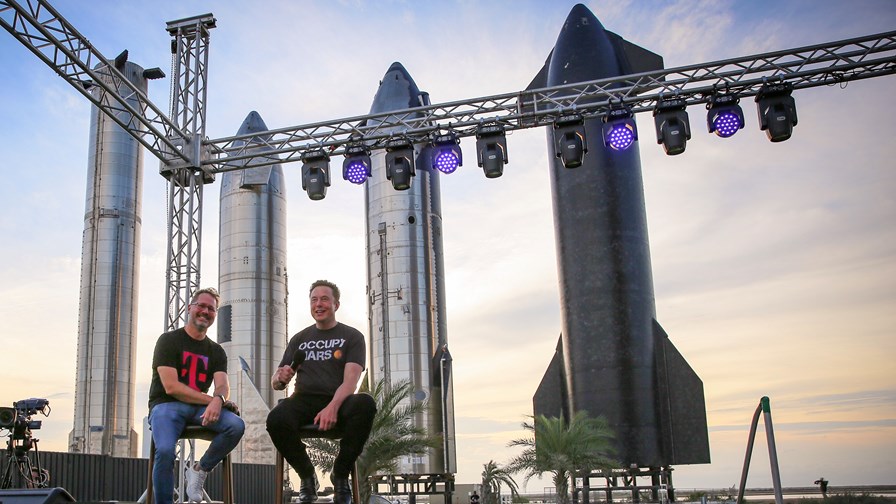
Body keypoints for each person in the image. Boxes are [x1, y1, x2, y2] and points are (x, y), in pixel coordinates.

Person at [267, 280, 377, 504]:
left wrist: (332, 407)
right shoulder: (299, 339)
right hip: (303, 400)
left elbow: (351, 382)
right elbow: (277, 382)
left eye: (324, 299)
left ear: (336, 304)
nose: (319, 304)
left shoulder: (352, 336)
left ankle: (340, 475)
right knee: (276, 418)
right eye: (314, 299)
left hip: (339, 399)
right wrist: (279, 378)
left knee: (365, 403)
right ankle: (307, 476)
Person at [147, 287, 245, 503]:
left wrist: (219, 399)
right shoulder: (168, 340)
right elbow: (171, 387)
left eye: (211, 308)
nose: (205, 311)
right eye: (201, 305)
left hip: (197, 409)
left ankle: (200, 470)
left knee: (236, 425)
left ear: (215, 314)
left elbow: (222, 386)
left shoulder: (216, 351)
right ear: (190, 308)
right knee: (164, 451)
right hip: (166, 406)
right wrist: (215, 401)